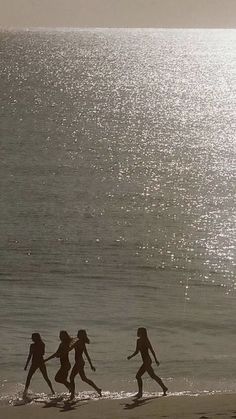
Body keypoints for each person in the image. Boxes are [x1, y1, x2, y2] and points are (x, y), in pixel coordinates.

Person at [127, 327, 168, 398]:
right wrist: (131, 356)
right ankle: (164, 387)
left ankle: (140, 393)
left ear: (142, 333)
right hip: (146, 361)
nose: (137, 332)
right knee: (153, 376)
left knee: (138, 376)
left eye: (138, 331)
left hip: (147, 361)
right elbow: (137, 351)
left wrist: (156, 360)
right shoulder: (138, 341)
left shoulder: (146, 340)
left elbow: (151, 350)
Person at [69, 329, 102, 400]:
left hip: (78, 363)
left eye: (79, 333)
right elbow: (87, 355)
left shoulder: (78, 342)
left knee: (71, 377)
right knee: (84, 378)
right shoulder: (82, 343)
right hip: (81, 362)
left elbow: (70, 348)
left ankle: (72, 394)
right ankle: (98, 389)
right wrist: (91, 365)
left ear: (81, 335)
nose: (77, 334)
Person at [23, 333, 55, 398]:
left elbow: (30, 355)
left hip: (35, 362)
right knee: (45, 377)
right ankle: (52, 391)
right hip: (41, 362)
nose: (31, 338)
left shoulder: (32, 345)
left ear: (36, 338)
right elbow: (43, 353)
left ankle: (25, 392)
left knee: (29, 377)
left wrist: (26, 365)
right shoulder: (42, 344)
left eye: (32, 337)